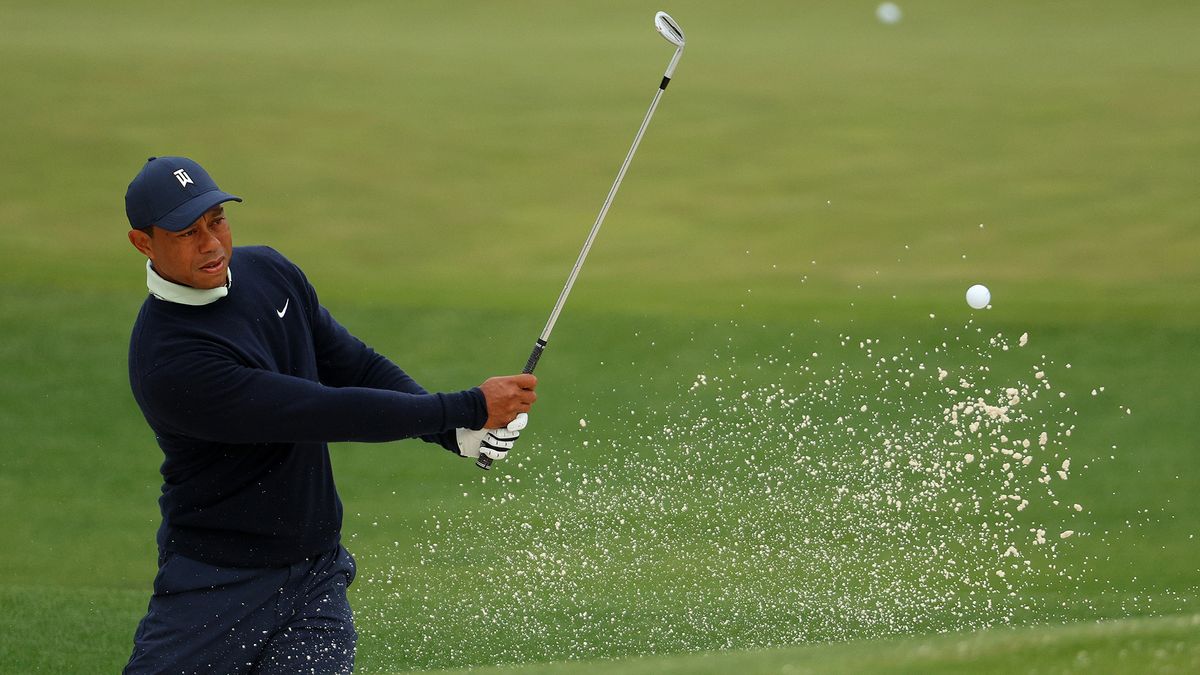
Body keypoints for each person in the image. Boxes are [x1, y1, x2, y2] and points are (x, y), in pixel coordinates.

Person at [121, 156, 537, 674]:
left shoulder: (269, 271)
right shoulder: (172, 359)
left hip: (315, 574)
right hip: (215, 585)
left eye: (217, 221)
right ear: (144, 242)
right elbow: (321, 411)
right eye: (186, 232)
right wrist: (467, 407)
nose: (210, 243)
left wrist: (451, 433)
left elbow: (350, 363)